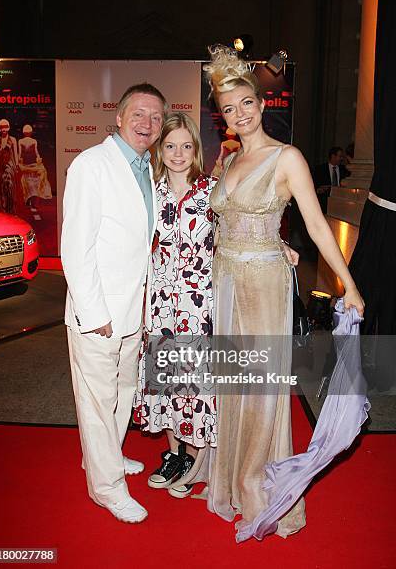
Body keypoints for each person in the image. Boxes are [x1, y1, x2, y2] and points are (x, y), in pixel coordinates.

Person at [203, 45, 364, 539]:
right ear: (223, 116)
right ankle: (233, 475)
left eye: (246, 103)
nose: (240, 114)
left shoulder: (286, 157)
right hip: (226, 281)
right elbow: (219, 223)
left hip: (262, 286)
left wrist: (350, 286)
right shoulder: (227, 160)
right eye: (229, 108)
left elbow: (316, 227)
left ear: (262, 103)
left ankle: (255, 482)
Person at [61, 83, 166, 524]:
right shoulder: (92, 165)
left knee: (122, 392)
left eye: (156, 117)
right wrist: (94, 312)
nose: (147, 124)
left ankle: (103, 457)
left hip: (133, 312)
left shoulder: (148, 170)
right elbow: (75, 246)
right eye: (139, 114)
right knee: (97, 399)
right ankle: (107, 488)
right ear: (119, 118)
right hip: (99, 314)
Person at [136, 111, 218, 498]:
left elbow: (240, 233)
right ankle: (173, 454)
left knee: (195, 382)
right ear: (160, 148)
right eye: (170, 146)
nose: (178, 153)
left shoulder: (213, 192)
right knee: (166, 380)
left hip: (200, 307)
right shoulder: (151, 191)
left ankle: (194, 460)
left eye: (186, 146)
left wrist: (280, 245)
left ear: (196, 150)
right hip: (162, 305)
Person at [18, 124, 52, 209]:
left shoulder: (21, 141)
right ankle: (29, 199)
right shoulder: (33, 141)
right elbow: (36, 152)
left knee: (27, 182)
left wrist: (18, 161)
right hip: (29, 164)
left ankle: (29, 199)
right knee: (32, 182)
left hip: (27, 164)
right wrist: (39, 159)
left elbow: (20, 153)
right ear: (30, 132)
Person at [0, 118, 18, 214]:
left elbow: (15, 153)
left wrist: (16, 165)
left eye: (5, 127)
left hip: (10, 166)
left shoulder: (12, 139)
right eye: (2, 127)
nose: (4, 129)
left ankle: (10, 210)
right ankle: (3, 209)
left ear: (8, 128)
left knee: (9, 186)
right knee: (0, 187)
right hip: (0, 167)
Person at [313, 146, 351, 213]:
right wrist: (318, 190)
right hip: (324, 204)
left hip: (340, 203)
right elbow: (314, 184)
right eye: (340, 156)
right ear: (333, 156)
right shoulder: (320, 169)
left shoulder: (344, 170)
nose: (342, 159)